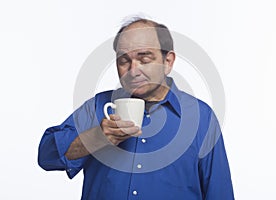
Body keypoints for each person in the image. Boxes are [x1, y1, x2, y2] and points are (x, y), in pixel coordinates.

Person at [38, 17, 234, 200]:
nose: (133, 70)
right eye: (124, 60)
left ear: (168, 62)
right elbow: (46, 156)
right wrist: (96, 138)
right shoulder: (98, 106)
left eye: (145, 59)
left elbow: (219, 192)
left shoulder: (201, 117)